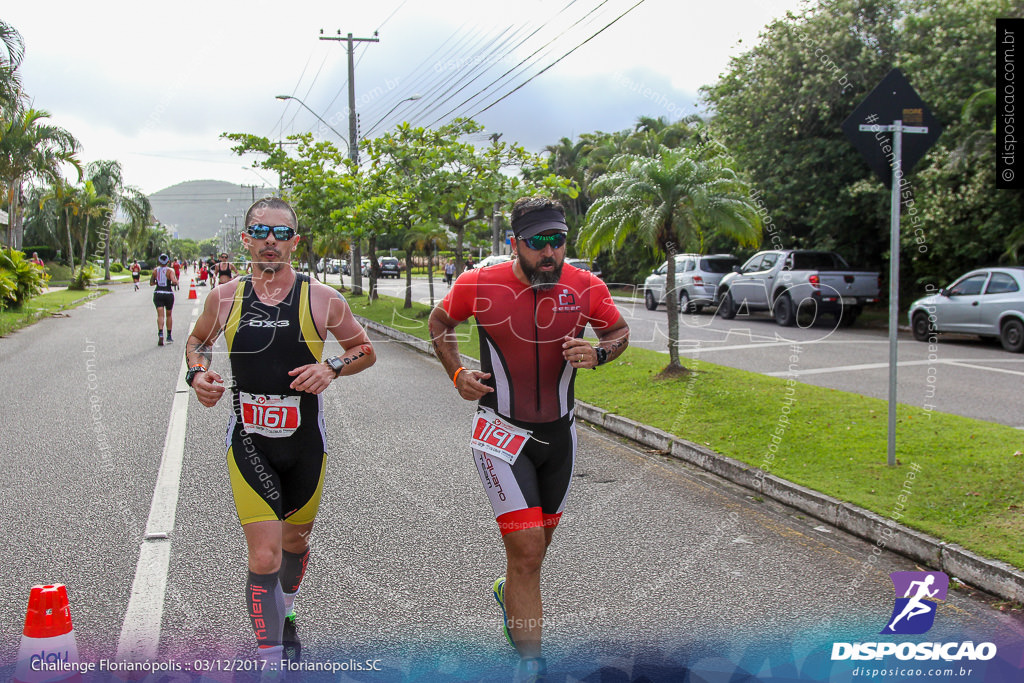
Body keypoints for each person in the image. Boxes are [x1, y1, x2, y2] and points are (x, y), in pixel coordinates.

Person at [428, 197, 629, 682]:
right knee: (528, 551)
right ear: (513, 243)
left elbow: (619, 332)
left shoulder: (585, 287)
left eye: (557, 241)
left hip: (560, 437)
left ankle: (509, 590)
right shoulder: (478, 284)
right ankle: (531, 665)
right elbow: (439, 324)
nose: (550, 253)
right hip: (501, 435)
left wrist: (600, 353)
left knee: (535, 552)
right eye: (537, 242)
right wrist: (457, 373)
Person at [184, 197, 375, 671]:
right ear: (245, 239)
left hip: (306, 444)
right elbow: (196, 343)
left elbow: (364, 350)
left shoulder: (324, 299)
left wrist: (331, 367)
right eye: (260, 232)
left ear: (295, 241)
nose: (271, 241)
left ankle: (286, 606)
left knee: (294, 543)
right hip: (249, 442)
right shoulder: (224, 297)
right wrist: (197, 375)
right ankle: (269, 658)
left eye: (281, 233)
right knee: (265, 554)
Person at [150, 253, 178, 345]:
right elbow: (174, 281)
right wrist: (175, 282)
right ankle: (169, 336)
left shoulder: (155, 270)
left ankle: (160, 332)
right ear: (168, 261)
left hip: (158, 293)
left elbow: (151, 282)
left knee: (160, 315)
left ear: (159, 261)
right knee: (169, 314)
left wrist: (158, 282)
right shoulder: (170, 270)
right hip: (168, 293)